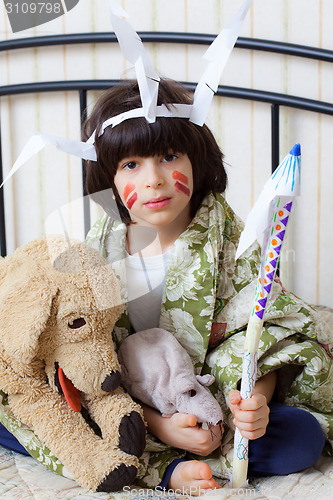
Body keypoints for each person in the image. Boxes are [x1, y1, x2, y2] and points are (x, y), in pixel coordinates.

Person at [83, 77, 331, 494]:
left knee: (301, 437)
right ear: (107, 176)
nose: (153, 180)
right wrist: (157, 423)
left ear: (197, 159)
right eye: (131, 165)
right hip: (131, 406)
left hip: (216, 403)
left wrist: (255, 405)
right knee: (29, 409)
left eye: (168, 156)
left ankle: (176, 453)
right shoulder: (99, 247)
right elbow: (82, 352)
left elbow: (266, 333)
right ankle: (168, 466)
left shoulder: (233, 238)